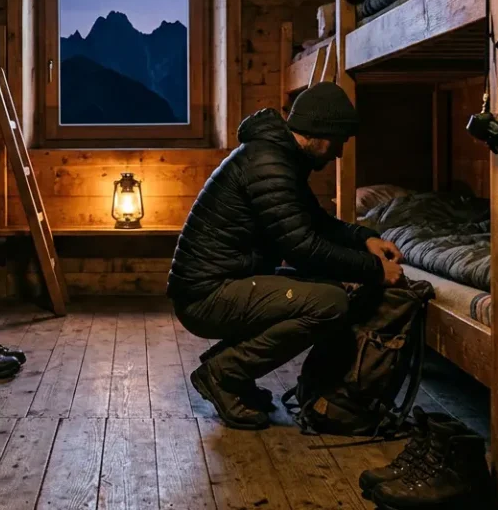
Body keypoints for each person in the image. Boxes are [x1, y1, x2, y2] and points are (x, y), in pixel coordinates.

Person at [168, 82, 404, 429]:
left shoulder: (279, 156)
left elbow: (315, 222)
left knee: (323, 290)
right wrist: (375, 270)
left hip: (221, 283)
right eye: (338, 141)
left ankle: (231, 371)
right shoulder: (269, 163)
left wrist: (364, 238)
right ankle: (224, 373)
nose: (339, 153)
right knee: (329, 303)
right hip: (205, 295)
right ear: (318, 133)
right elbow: (302, 248)